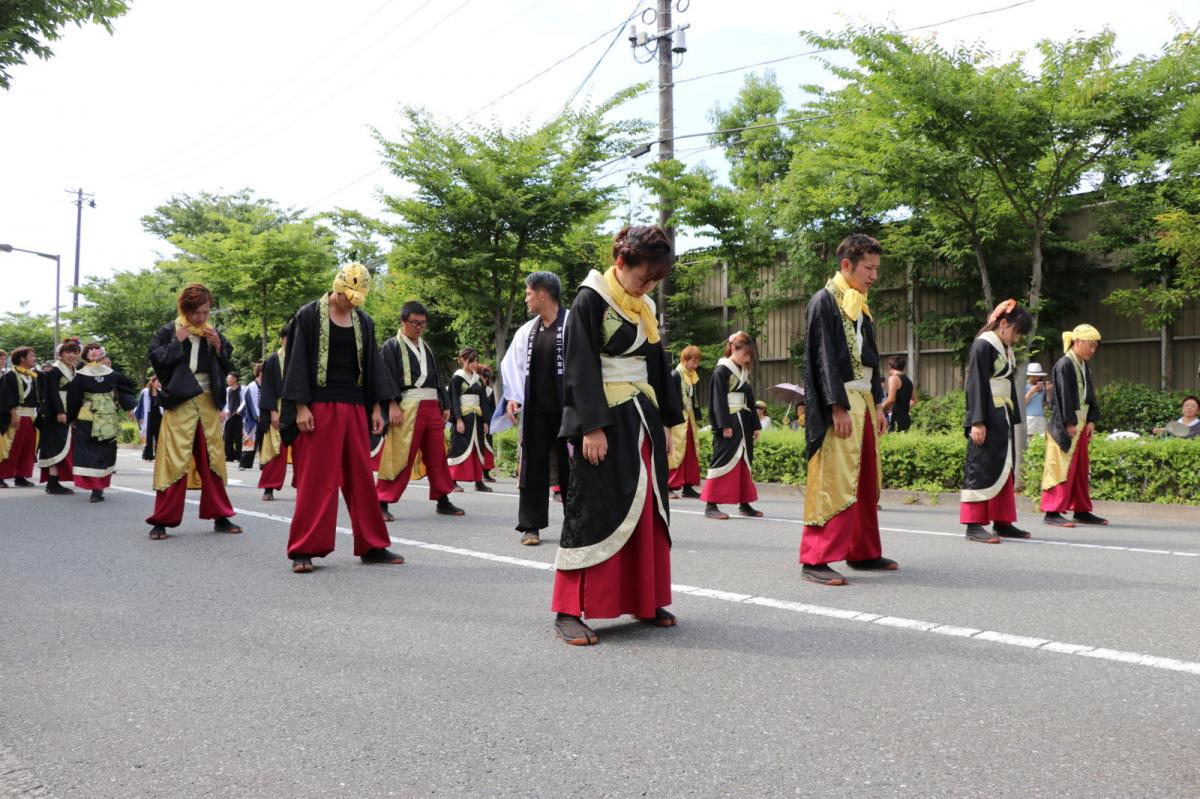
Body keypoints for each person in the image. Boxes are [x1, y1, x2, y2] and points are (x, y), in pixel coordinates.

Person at [551, 225, 683, 646]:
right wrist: (591, 426)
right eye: (644, 277)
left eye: (655, 282)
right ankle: (568, 610)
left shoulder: (641, 306)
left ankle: (646, 598)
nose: (648, 287)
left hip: (642, 417)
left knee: (648, 508)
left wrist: (666, 421)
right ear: (621, 262)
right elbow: (579, 364)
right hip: (606, 420)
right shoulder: (591, 298)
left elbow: (658, 365)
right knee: (593, 510)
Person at [281, 263, 406, 573]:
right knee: (317, 480)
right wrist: (300, 406)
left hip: (354, 406)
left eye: (356, 298)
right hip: (319, 407)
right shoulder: (309, 314)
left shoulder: (364, 321)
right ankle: (304, 549)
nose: (350, 302)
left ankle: (373, 545)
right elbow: (295, 360)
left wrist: (377, 408)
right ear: (336, 287)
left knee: (362, 478)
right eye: (347, 296)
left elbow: (373, 365)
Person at [799, 234, 898, 586]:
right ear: (846, 265)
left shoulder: (861, 304)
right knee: (833, 480)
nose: (874, 276)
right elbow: (822, 359)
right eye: (869, 268)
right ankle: (816, 557)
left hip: (866, 403)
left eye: (876, 269)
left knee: (866, 480)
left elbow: (870, 360)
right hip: (839, 404)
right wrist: (835, 407)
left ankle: (864, 551)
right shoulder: (824, 301)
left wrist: (880, 405)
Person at [145, 284, 243, 540]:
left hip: (208, 401)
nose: (201, 317)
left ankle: (221, 516)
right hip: (180, 400)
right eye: (196, 312)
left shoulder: (212, 332)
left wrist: (218, 345)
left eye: (206, 311)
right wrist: (176, 342)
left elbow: (228, 363)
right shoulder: (169, 330)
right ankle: (162, 520)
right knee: (173, 458)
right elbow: (157, 360)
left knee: (213, 459)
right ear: (184, 309)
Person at [492, 272, 571, 547]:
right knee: (533, 467)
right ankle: (531, 526)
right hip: (536, 410)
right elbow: (511, 366)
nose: (526, 298)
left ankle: (576, 525)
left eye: (528, 293)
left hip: (568, 410)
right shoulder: (527, 330)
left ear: (542, 294)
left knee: (572, 468)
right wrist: (513, 397)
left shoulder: (573, 323)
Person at [375, 300, 463, 520]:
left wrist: (445, 403)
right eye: (414, 322)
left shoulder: (426, 346)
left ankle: (442, 499)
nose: (419, 327)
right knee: (399, 454)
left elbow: (435, 376)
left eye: (423, 323)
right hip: (406, 405)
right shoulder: (391, 346)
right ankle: (382, 500)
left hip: (431, 404)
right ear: (403, 321)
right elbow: (385, 377)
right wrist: (392, 405)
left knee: (437, 454)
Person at [960, 301, 1034, 543]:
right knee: (981, 466)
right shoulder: (983, 345)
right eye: (1017, 332)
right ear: (1003, 324)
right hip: (988, 413)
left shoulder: (1004, 346)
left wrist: (1013, 418)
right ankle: (973, 524)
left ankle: (1002, 521)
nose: (1018, 338)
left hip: (1002, 413)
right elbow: (975, 384)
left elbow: (1009, 384)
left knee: (1004, 465)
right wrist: (976, 421)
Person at [1041, 324, 1107, 527]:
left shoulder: (1083, 363)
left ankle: (1081, 510)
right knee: (1059, 468)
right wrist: (1069, 422)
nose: (1093, 350)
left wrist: (1091, 421)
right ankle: (1052, 512)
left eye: (1095, 346)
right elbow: (1063, 397)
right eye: (1091, 345)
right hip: (1065, 426)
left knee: (1079, 470)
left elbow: (1090, 396)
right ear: (1077, 342)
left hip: (1080, 424)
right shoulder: (1064, 364)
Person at [700, 332, 763, 520]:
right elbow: (717, 400)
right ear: (734, 349)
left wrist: (755, 425)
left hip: (743, 421)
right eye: (745, 354)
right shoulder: (722, 371)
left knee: (744, 461)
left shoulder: (742, 371)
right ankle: (710, 505)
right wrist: (723, 425)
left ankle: (744, 503)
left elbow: (749, 400)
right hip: (729, 423)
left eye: (749, 355)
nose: (747, 358)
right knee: (722, 460)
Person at [67, 343, 137, 502]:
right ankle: (98, 489)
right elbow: (127, 386)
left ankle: (94, 487)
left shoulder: (81, 375)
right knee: (103, 450)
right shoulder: (112, 374)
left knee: (89, 451)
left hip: (88, 416)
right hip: (106, 416)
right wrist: (128, 405)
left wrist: (71, 418)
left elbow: (74, 399)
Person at [447, 347, 493, 493]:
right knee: (458, 447)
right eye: (470, 361)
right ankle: (452, 481)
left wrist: (486, 420)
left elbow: (483, 400)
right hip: (463, 417)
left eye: (475, 361)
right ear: (462, 360)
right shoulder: (457, 378)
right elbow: (453, 399)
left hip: (477, 418)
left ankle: (479, 481)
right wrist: (458, 420)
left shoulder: (478, 379)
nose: (474, 364)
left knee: (477, 448)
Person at [37, 339, 80, 495]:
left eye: (74, 352)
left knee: (63, 446)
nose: (71, 355)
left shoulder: (74, 370)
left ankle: (54, 482)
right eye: (68, 352)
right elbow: (52, 394)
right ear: (60, 355)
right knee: (55, 447)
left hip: (69, 411)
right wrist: (60, 412)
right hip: (55, 414)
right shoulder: (55, 371)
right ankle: (53, 483)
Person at [257, 325, 292, 501]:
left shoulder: (302, 358)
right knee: (275, 449)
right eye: (287, 337)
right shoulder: (272, 360)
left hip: (298, 408)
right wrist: (272, 412)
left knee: (304, 452)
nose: (290, 341)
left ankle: (305, 488)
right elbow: (268, 388)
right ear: (282, 339)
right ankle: (269, 487)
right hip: (278, 407)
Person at [0, 346, 41, 488]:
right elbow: (5, 397)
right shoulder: (9, 376)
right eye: (31, 356)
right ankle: (1, 476)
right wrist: (13, 414)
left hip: (30, 416)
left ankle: (21, 475)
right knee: (11, 447)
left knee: (28, 448)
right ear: (22, 359)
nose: (34, 358)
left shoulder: (32, 376)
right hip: (16, 415)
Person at [667, 345, 703, 500]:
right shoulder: (675, 375)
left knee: (690, 451)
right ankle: (668, 486)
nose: (695, 365)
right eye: (693, 361)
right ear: (685, 359)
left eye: (697, 361)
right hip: (677, 419)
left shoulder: (692, 375)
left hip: (689, 418)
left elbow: (693, 398)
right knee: (676, 451)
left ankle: (688, 486)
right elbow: (669, 399)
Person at [883, 355, 917, 432]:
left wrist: (880, 408)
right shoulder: (908, 381)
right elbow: (915, 400)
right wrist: (904, 409)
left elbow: (891, 399)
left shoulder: (893, 378)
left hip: (896, 419)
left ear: (889, 367)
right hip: (906, 418)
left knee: (891, 442)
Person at [134, 372, 162, 460]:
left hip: (159, 416)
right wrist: (141, 417)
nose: (159, 384)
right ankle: (148, 455)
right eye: (158, 382)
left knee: (159, 436)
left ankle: (159, 455)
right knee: (148, 437)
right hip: (148, 417)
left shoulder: (161, 392)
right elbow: (140, 405)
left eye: (160, 382)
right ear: (153, 382)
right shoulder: (145, 392)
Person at [237, 364, 261, 469]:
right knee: (249, 441)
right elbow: (251, 403)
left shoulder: (266, 385)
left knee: (263, 442)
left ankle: (263, 464)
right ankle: (244, 463)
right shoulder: (252, 386)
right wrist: (258, 415)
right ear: (260, 373)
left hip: (263, 417)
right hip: (252, 418)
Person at [480, 365, 498, 482]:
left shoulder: (489, 391)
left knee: (487, 448)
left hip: (486, 422)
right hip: (472, 420)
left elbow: (492, 408)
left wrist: (488, 422)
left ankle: (485, 473)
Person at [222, 372, 243, 463]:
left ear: (235, 379)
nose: (227, 380)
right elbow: (225, 402)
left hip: (239, 416)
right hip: (229, 416)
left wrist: (240, 409)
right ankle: (229, 455)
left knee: (238, 437)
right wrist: (226, 410)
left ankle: (238, 456)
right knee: (227, 436)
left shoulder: (242, 389)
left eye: (229, 378)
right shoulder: (227, 390)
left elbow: (244, 401)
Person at [1024, 363, 1049, 436]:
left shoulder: (1041, 386)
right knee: (1030, 441)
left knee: (1041, 441)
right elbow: (1022, 404)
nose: (1037, 378)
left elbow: (1044, 403)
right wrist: (1031, 392)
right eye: (1034, 376)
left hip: (1041, 417)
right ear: (1030, 375)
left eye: (1038, 375)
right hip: (1029, 418)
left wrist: (1048, 391)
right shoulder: (1024, 386)